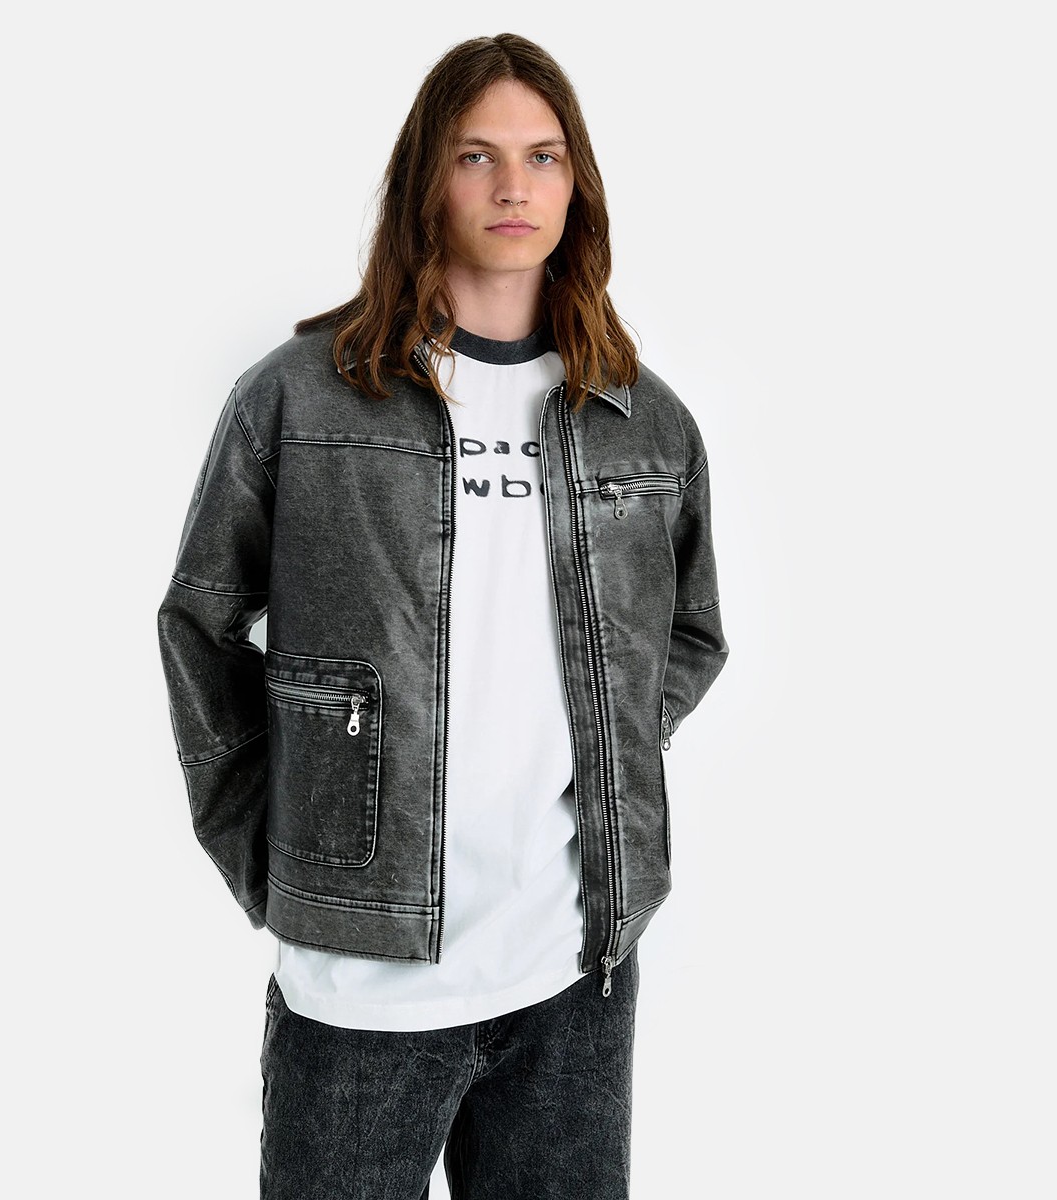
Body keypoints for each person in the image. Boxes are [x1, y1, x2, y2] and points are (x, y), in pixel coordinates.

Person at [157, 32, 728, 1199]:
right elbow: (201, 627)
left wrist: (607, 754)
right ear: (428, 177)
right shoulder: (300, 399)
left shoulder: (643, 420)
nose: (514, 185)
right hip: (358, 983)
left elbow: (690, 632)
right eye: (477, 155)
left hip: (573, 972)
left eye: (543, 156)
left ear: (577, 185)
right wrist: (279, 858)